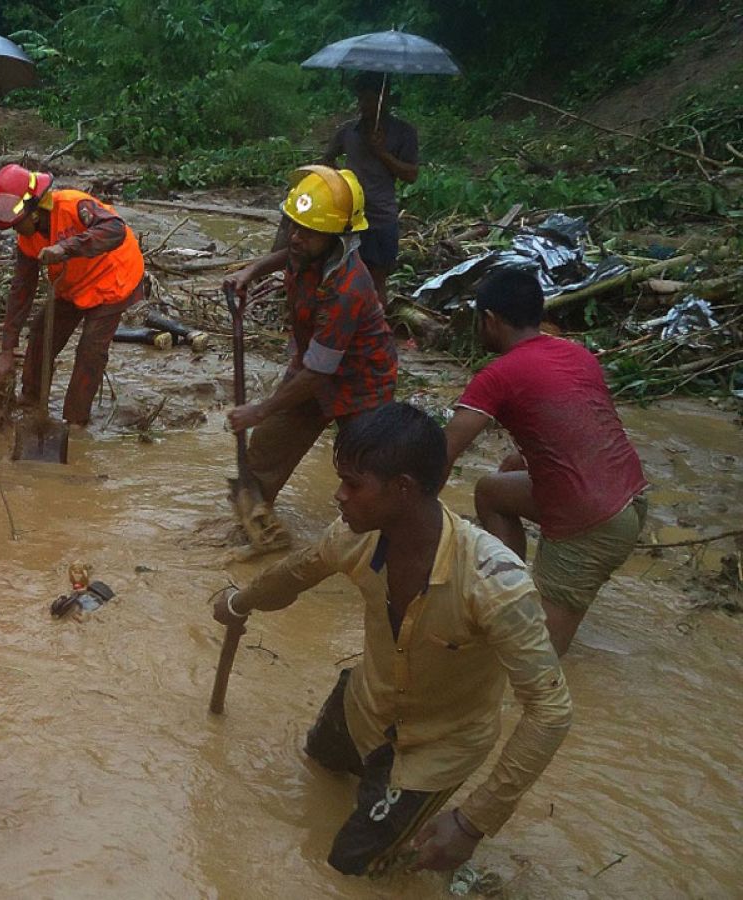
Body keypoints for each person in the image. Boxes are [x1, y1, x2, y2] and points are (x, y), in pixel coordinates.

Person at [212, 403, 571, 877]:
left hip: (434, 748)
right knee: (318, 765)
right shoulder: (353, 536)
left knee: (349, 869)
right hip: (363, 703)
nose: (338, 496)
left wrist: (472, 822)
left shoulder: (496, 584)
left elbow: (550, 711)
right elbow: (296, 574)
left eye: (353, 484)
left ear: (403, 489)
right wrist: (242, 601)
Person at [443, 267, 648, 654]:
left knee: (533, 658)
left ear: (489, 320)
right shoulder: (576, 354)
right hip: (630, 499)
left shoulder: (498, 374)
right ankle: (509, 588)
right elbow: (584, 427)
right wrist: (520, 459)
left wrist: (403, 522)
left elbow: (446, 451)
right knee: (491, 490)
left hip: (589, 524)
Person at [226, 165, 397, 515]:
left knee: (363, 468)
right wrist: (251, 271)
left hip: (360, 383)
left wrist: (258, 410)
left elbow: (319, 372)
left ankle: (373, 539)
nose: (296, 237)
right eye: (293, 226)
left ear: (336, 238)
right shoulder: (308, 248)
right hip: (311, 366)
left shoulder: (347, 289)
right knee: (268, 445)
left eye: (309, 232)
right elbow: (289, 254)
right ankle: (252, 520)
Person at [0, 164, 145, 427]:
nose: (15, 230)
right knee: (40, 336)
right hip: (72, 283)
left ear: (34, 212)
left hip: (113, 278)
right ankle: (31, 400)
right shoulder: (27, 238)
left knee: (89, 352)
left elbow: (115, 229)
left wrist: (66, 248)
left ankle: (75, 421)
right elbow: (21, 290)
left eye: (16, 224)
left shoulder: (74, 205)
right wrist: (7, 349)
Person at [321, 73, 419, 296]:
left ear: (384, 100)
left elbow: (411, 175)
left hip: (380, 218)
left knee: (376, 282)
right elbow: (326, 159)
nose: (364, 106)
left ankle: (375, 327)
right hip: (347, 217)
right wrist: (341, 181)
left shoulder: (404, 133)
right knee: (341, 277)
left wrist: (382, 153)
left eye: (371, 100)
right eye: (361, 99)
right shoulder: (348, 131)